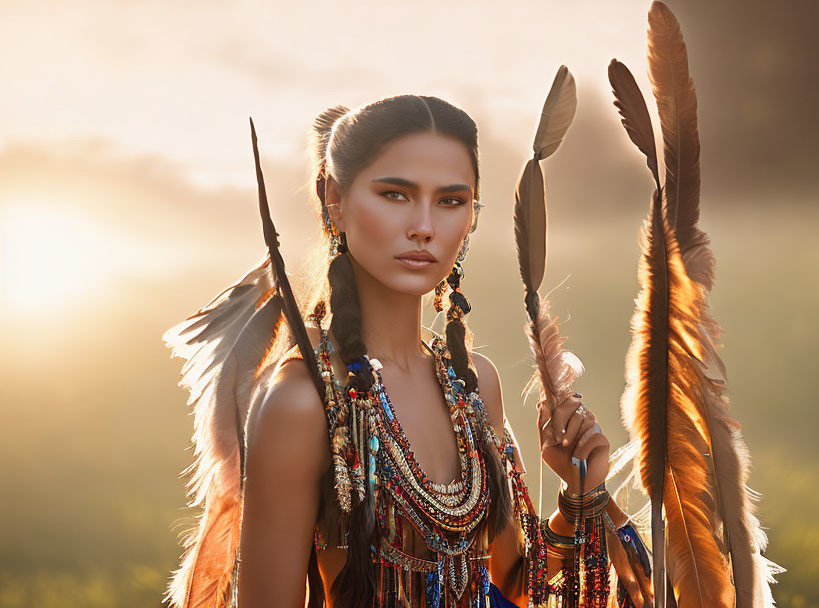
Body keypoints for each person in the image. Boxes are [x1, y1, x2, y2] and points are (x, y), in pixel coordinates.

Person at [163, 95, 654, 608]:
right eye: (396, 195)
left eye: (450, 200)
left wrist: (576, 498)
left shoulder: (473, 385)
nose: (424, 225)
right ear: (334, 199)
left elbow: (512, 587)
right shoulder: (304, 403)